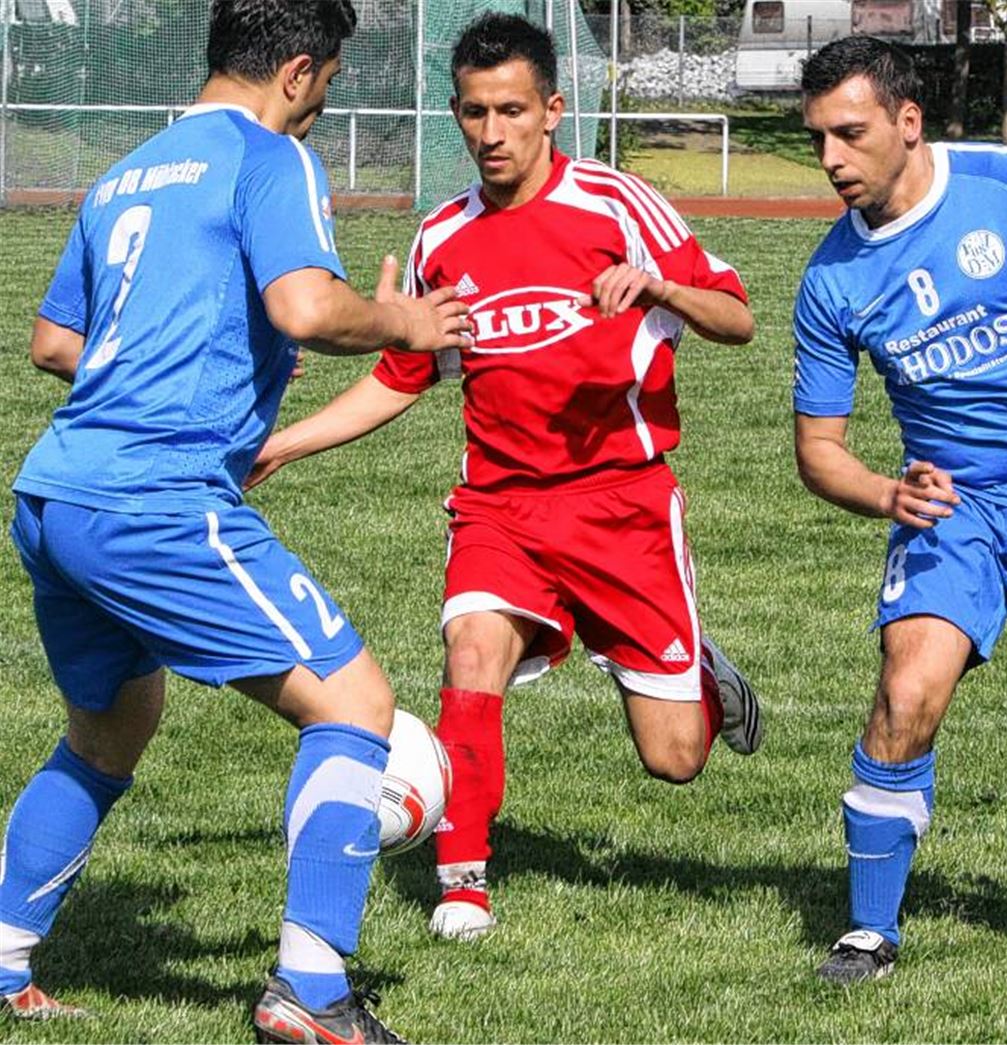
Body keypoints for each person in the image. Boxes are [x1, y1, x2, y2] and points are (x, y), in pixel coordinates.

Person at [0, 1, 469, 1040]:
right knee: (354, 703)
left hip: (56, 494)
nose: (320, 109)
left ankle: (3, 961)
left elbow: (53, 342)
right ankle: (312, 988)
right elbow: (308, 306)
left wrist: (196, 351)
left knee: (108, 732)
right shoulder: (270, 155)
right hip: (155, 498)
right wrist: (404, 318)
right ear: (298, 71)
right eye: (328, 87)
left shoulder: (127, 173)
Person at [248, 12, 762, 943]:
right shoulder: (442, 236)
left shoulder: (617, 206)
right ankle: (463, 881)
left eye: (512, 111)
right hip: (501, 506)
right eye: (474, 112)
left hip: (624, 506)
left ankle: (700, 674)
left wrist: (658, 288)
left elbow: (737, 317)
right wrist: (285, 444)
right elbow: (400, 378)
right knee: (471, 652)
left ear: (553, 111)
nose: (491, 133)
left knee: (676, 759)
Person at [792, 35, 1007, 984]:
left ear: (908, 121)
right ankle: (870, 930)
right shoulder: (832, 280)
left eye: (850, 133)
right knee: (907, 690)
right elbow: (818, 451)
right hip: (955, 511)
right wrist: (887, 493)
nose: (831, 159)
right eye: (818, 138)